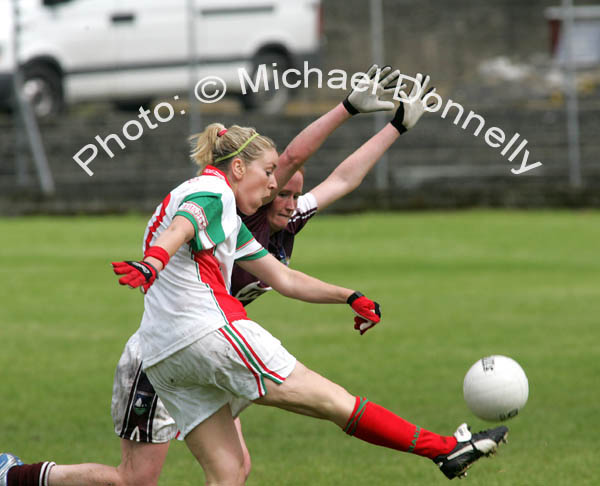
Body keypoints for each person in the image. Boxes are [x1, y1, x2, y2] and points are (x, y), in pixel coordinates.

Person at [1, 72, 508, 485]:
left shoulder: (235, 218)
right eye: (269, 176)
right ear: (239, 166)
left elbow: (284, 279)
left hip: (167, 357)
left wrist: (348, 295)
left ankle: (10, 478)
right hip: (206, 334)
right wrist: (154, 261)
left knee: (230, 471)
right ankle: (444, 449)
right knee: (334, 403)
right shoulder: (217, 193)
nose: (274, 188)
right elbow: (188, 221)